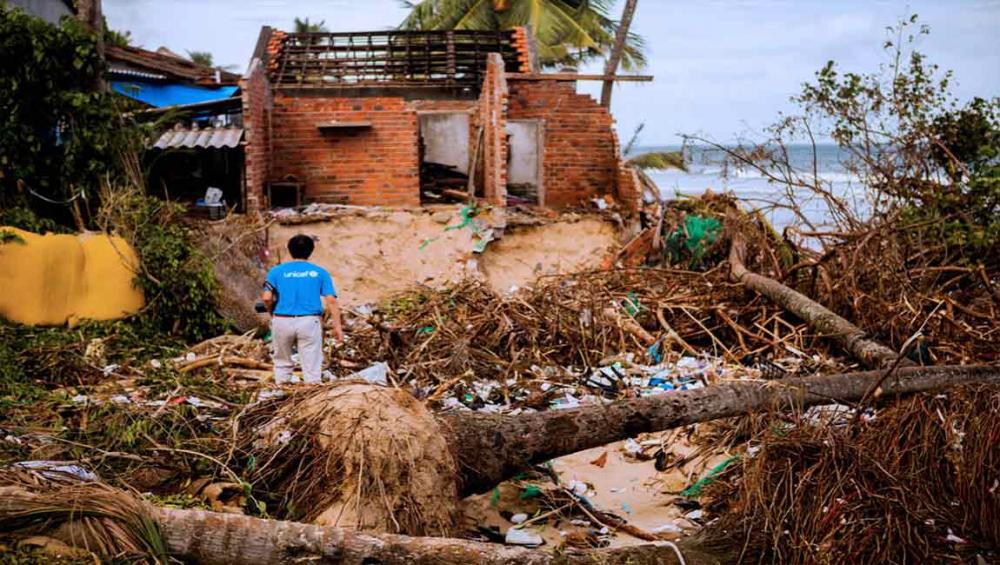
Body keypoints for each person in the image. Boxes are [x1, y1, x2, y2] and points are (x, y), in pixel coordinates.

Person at [261, 234, 343, 384]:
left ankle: (281, 394)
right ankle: (311, 400)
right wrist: (337, 326)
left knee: (282, 362)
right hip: (309, 321)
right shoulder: (320, 272)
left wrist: (272, 313)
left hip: (282, 320)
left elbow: (266, 297)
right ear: (311, 251)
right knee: (311, 365)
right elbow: (331, 300)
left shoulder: (276, 271)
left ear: (290, 250)